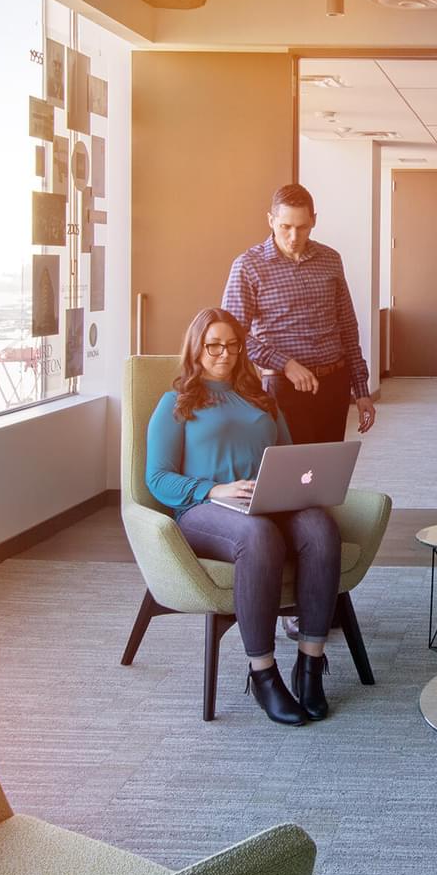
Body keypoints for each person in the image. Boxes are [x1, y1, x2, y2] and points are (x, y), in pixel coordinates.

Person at [145, 307, 342, 727]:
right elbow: (157, 479)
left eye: (232, 346)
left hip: (267, 501)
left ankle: (310, 666)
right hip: (204, 510)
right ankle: (263, 673)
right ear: (196, 347)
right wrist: (214, 489)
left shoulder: (261, 398)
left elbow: (287, 456)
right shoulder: (176, 402)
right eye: (213, 345)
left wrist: (299, 488)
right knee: (257, 536)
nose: (224, 354)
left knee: (321, 527)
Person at [222, 183, 376, 445]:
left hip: (334, 383)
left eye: (302, 226)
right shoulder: (248, 266)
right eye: (285, 226)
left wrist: (361, 390)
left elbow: (348, 327)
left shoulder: (330, 259)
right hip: (284, 387)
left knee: (329, 468)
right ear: (271, 220)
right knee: (293, 472)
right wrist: (286, 363)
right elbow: (232, 337)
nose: (294, 236)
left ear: (313, 221)